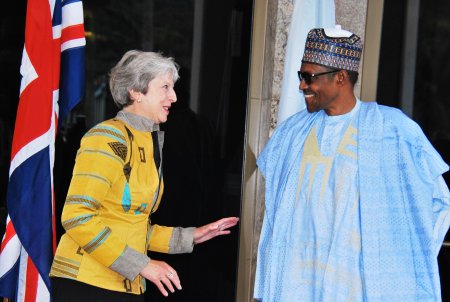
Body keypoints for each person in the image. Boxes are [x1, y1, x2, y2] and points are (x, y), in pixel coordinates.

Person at [254, 27, 450, 301]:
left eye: (308, 77)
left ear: (341, 78)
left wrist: (407, 260)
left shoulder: (392, 129)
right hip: (296, 284)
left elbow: (439, 199)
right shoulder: (292, 132)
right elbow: (274, 213)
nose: (301, 85)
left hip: (357, 288)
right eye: (301, 76)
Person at [49, 50, 239, 302]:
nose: (173, 96)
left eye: (173, 87)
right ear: (136, 92)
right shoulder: (107, 137)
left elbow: (134, 227)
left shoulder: (149, 140)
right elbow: (77, 217)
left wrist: (193, 235)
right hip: (88, 284)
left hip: (125, 285)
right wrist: (143, 265)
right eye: (164, 87)